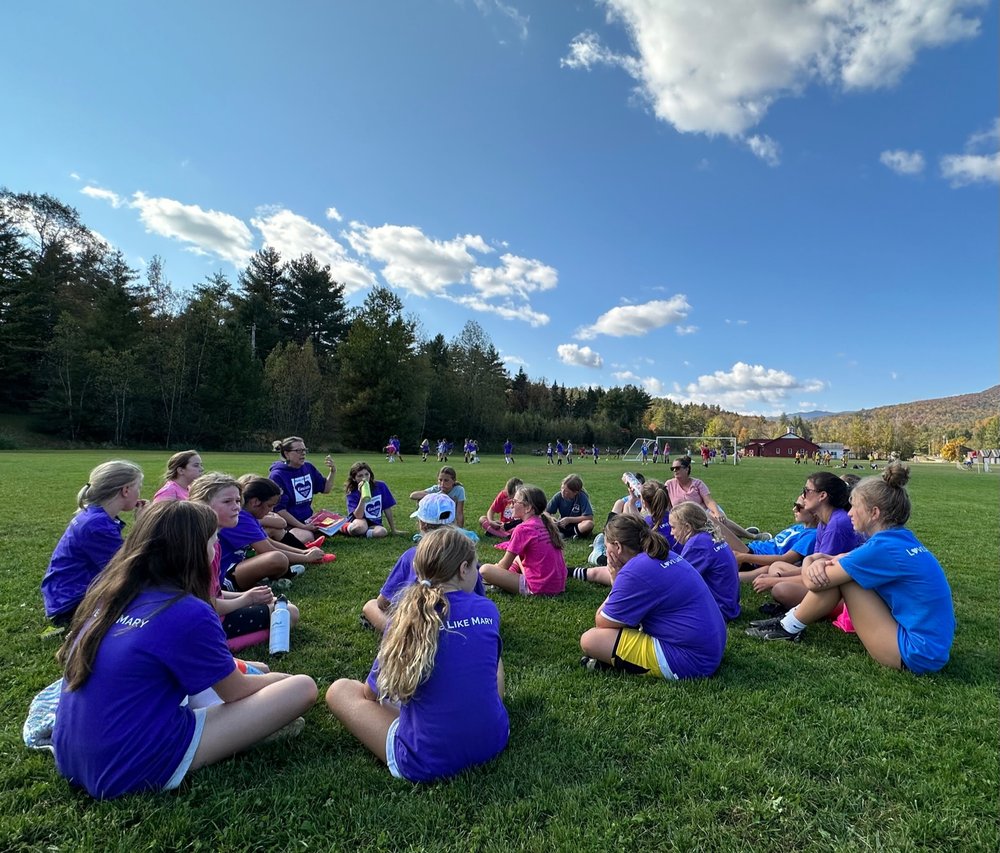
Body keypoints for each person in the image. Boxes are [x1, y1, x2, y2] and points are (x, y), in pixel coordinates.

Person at [51, 500, 317, 800]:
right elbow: (236, 691)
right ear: (195, 550)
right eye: (213, 540)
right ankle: (252, 730)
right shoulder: (187, 610)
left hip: (75, 757)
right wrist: (278, 679)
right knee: (301, 687)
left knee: (250, 675)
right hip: (132, 765)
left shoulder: (110, 596)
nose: (216, 548)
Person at [326, 527, 508, 782]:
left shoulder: (407, 618)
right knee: (492, 660)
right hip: (494, 739)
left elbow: (372, 694)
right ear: (463, 569)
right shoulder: (487, 609)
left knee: (341, 689)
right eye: (476, 567)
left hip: (425, 760)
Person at [746, 464, 956, 673]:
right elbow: (846, 559)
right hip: (930, 649)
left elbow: (813, 581)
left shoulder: (882, 547)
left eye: (855, 506)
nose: (849, 513)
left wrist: (813, 559)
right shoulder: (900, 539)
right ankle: (789, 623)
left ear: (874, 513)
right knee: (844, 572)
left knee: (844, 578)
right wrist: (825, 559)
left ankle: (788, 627)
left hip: (915, 654)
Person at [578, 515, 726, 679]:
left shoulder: (634, 570)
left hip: (691, 661)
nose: (606, 552)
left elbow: (603, 621)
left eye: (607, 547)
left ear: (617, 547)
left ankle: (620, 664)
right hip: (711, 648)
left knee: (591, 640)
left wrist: (616, 579)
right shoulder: (663, 554)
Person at [190, 474, 301, 649]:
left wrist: (250, 596)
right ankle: (216, 645)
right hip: (201, 622)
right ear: (202, 505)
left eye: (237, 501)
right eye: (227, 502)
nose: (236, 507)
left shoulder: (212, 541)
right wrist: (247, 599)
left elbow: (212, 595)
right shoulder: (203, 547)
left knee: (282, 608)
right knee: (289, 613)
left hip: (201, 616)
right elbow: (208, 605)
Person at [361, 493, 486, 633]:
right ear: (453, 522)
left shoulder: (412, 555)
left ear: (422, 524)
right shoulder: (467, 553)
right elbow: (479, 597)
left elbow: (383, 602)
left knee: (370, 606)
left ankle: (399, 634)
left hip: (421, 627)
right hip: (464, 620)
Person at [41, 461, 146, 628]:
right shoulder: (97, 525)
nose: (139, 492)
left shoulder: (94, 515)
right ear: (125, 490)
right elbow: (127, 566)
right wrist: (143, 526)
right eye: (138, 487)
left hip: (64, 596)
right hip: (71, 604)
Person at [752, 471, 864, 612]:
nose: (803, 496)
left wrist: (775, 580)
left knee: (781, 590)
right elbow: (811, 568)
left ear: (822, 496)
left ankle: (807, 608)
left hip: (839, 590)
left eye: (806, 491)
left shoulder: (837, 524)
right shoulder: (825, 521)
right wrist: (779, 575)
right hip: (824, 579)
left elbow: (822, 575)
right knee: (777, 567)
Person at [225, 477, 335, 578]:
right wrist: (306, 558)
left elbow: (269, 542)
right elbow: (268, 550)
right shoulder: (244, 518)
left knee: (277, 556)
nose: (271, 510)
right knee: (277, 558)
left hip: (233, 565)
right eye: (269, 505)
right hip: (226, 572)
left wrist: (304, 552)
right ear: (255, 502)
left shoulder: (248, 516)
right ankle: (277, 577)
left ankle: (281, 572)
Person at [572, 479, 675, 585]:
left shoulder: (647, 524)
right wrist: (631, 503)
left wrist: (631, 502)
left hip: (651, 570)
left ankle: (597, 555)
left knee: (612, 564)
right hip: (672, 568)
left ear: (643, 502)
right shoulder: (676, 519)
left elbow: (630, 529)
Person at [479, 485, 566, 596]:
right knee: (518, 557)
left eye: (515, 502)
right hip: (558, 585)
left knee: (484, 570)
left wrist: (496, 569)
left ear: (528, 507)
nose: (511, 505)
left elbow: (503, 566)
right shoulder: (545, 523)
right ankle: (507, 578)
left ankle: (501, 582)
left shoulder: (523, 529)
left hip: (538, 587)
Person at [668, 502, 740, 621]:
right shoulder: (709, 536)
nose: (671, 533)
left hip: (718, 611)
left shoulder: (696, 545)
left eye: (673, 527)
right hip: (730, 606)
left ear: (687, 527)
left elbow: (678, 583)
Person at [719, 497, 818, 578]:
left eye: (799, 507)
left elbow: (786, 559)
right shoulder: (799, 527)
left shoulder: (811, 535)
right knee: (717, 522)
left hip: (753, 557)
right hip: (750, 550)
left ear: (814, 512)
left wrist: (743, 557)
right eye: (794, 505)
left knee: (712, 520)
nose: (794, 509)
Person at [268, 436, 337, 541]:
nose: (303, 453)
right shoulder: (277, 475)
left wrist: (332, 471)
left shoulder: (308, 467)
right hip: (288, 523)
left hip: (307, 520)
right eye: (298, 450)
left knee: (335, 522)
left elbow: (326, 489)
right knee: (306, 536)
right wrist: (302, 526)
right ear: (287, 454)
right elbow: (280, 510)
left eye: (304, 450)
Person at [345, 462, 399, 538]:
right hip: (359, 520)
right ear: (354, 478)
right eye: (360, 476)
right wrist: (362, 496)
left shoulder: (380, 486)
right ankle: (343, 527)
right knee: (359, 528)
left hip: (374, 523)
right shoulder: (352, 492)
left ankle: (365, 533)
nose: (364, 478)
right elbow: (358, 516)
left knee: (382, 532)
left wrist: (393, 529)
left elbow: (387, 508)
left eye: (367, 474)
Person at [546, 474, 594, 539]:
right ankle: (564, 534)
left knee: (589, 524)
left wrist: (569, 520)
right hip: (562, 525)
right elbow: (546, 512)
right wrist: (551, 518)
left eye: (566, 491)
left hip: (577, 526)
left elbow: (589, 517)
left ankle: (569, 534)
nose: (562, 492)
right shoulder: (558, 496)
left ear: (575, 492)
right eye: (562, 488)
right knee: (542, 520)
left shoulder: (582, 497)